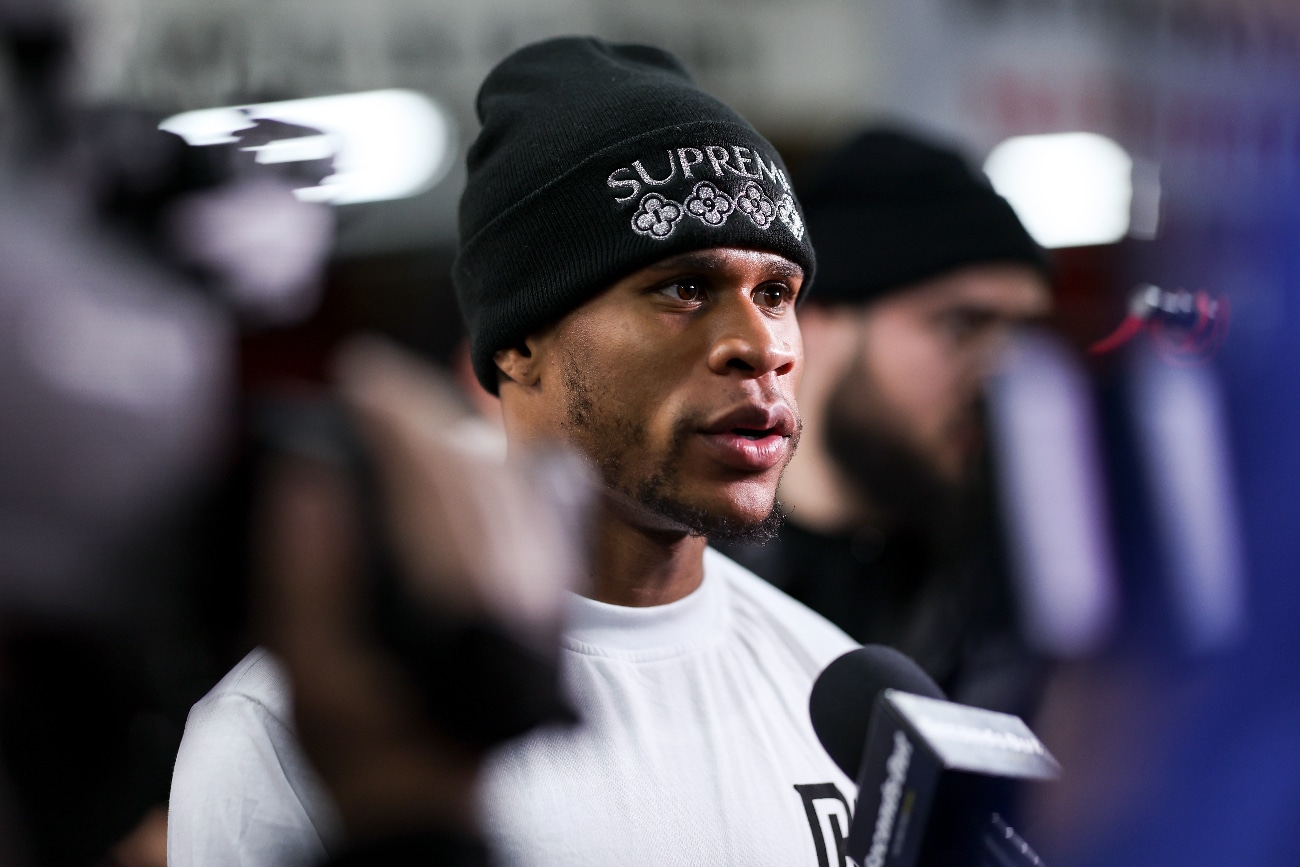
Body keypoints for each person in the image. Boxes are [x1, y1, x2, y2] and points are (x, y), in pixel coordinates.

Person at [168, 37, 858, 867]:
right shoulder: (294, 733)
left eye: (776, 293)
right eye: (684, 287)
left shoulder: (841, 693)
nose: (762, 345)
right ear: (519, 342)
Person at [722, 129, 1052, 716]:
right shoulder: (686, 566)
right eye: (963, 326)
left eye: (1016, 336)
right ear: (818, 320)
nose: (996, 378)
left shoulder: (1009, 588)